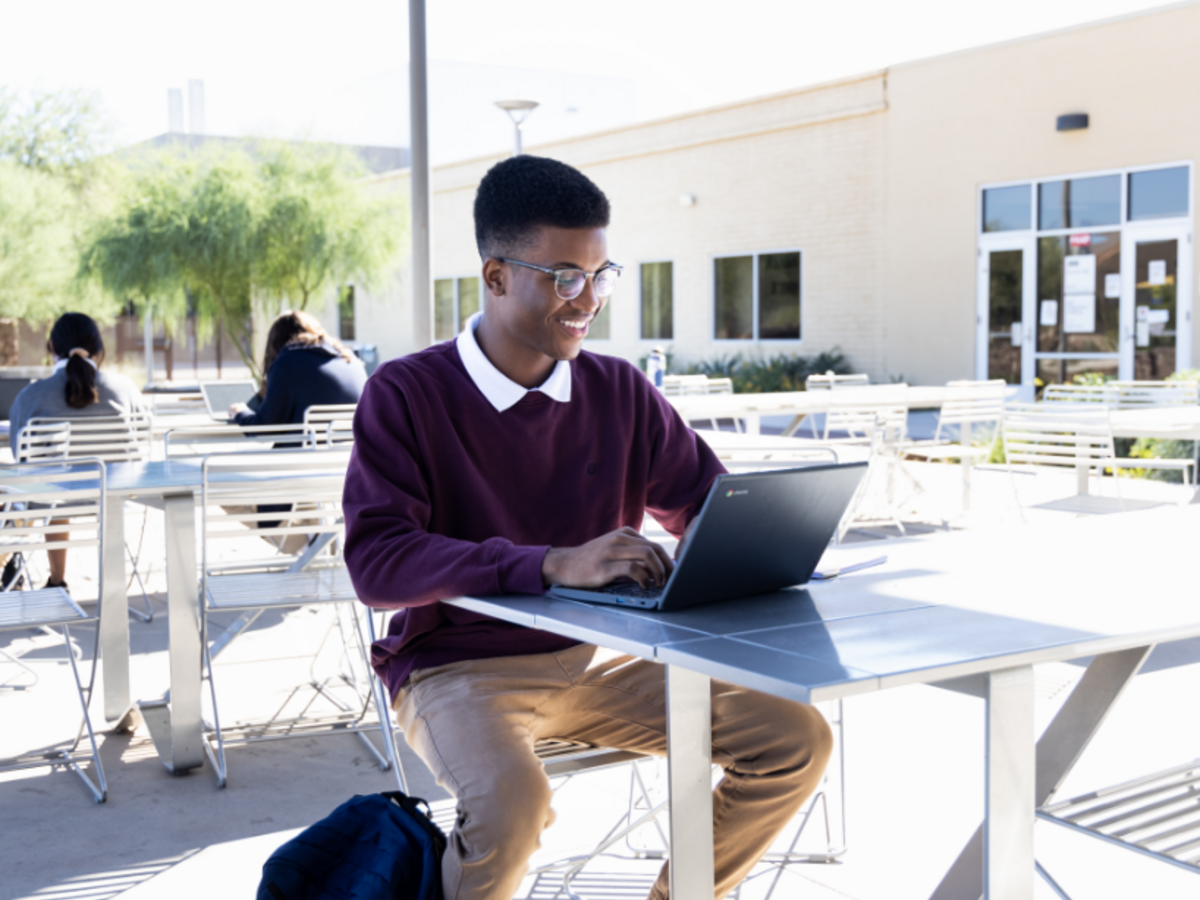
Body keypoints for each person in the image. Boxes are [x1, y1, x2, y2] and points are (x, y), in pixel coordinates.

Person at [342, 155, 832, 900]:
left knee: (796, 739)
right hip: (457, 669)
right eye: (564, 276)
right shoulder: (407, 393)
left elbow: (706, 503)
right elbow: (378, 565)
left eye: (602, 275)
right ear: (497, 276)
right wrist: (550, 563)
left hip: (600, 660)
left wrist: (763, 548)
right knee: (513, 805)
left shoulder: (620, 392)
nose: (588, 300)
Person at [8, 312, 149, 589]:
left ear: (51, 347)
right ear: (99, 350)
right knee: (65, 484)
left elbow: (20, 457)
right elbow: (142, 436)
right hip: (113, 495)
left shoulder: (32, 395)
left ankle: (55, 581)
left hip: (49, 499)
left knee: (50, 487)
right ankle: (113, 590)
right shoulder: (125, 389)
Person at [228, 310, 366, 426]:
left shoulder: (286, 363)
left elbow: (263, 428)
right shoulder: (350, 359)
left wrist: (240, 412)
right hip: (347, 453)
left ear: (276, 342)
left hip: (303, 454)